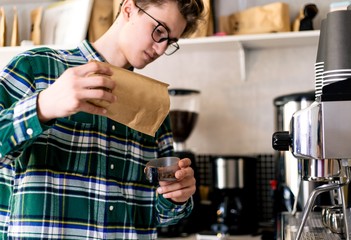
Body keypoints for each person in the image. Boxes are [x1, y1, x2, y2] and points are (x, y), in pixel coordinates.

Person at [0, 0, 204, 239]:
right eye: (159, 31)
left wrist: (177, 198)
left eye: (170, 42)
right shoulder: (37, 68)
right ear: (129, 8)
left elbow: (160, 217)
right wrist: (43, 106)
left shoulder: (154, 106)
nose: (160, 49)